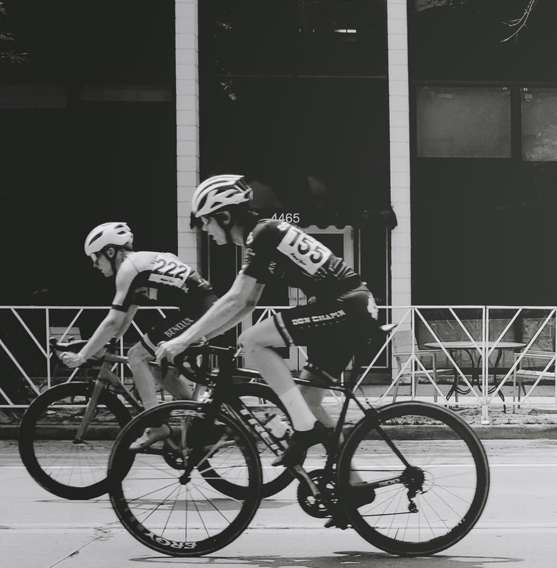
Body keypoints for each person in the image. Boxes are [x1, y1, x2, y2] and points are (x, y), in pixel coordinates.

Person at [155, 176, 385, 493]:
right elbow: (248, 302)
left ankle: (303, 431)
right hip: (350, 308)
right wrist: (200, 338)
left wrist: (183, 339)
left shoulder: (263, 233)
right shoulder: (263, 235)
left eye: (205, 222)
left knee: (252, 341)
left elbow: (236, 298)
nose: (204, 230)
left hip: (346, 306)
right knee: (309, 400)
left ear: (224, 216)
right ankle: (354, 485)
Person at [57, 223, 211, 408]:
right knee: (158, 371)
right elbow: (126, 318)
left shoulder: (128, 269)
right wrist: (104, 345)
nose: (94, 264)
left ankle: (154, 423)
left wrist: (81, 356)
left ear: (110, 252)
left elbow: (112, 322)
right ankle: (199, 417)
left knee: (136, 355)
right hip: (204, 308)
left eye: (95, 257)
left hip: (198, 312)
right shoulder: (141, 263)